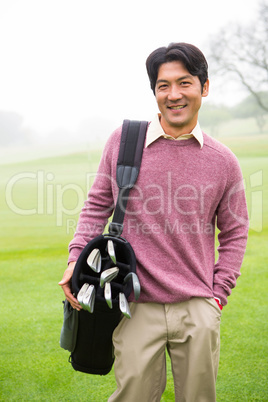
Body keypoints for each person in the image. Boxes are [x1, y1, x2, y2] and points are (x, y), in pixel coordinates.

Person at [59, 43, 249, 401]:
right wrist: (75, 259)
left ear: (203, 88)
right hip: (134, 306)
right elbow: (97, 205)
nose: (174, 94)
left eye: (185, 83)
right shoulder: (124, 141)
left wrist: (218, 295)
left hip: (197, 307)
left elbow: (236, 231)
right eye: (163, 86)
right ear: (155, 92)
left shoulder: (224, 161)